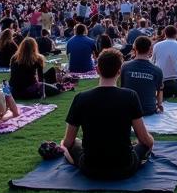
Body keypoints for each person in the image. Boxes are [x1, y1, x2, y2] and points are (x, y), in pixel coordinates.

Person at [63, 49, 154, 179]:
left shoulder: (81, 98)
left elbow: (68, 141)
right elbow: (144, 138)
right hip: (125, 166)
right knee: (145, 143)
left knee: (72, 143)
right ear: (119, 71)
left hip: (90, 167)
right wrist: (151, 141)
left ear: (97, 70)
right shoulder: (130, 96)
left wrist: (64, 145)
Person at [120, 36, 165, 116]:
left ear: (134, 48)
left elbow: (121, 87)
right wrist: (159, 105)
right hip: (148, 110)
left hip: (128, 109)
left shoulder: (125, 66)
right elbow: (160, 90)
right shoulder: (157, 70)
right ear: (150, 49)